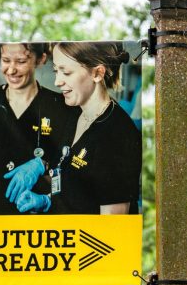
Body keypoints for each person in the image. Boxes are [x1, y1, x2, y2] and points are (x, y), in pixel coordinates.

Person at [12, 42, 141, 215]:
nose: (57, 82)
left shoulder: (117, 135)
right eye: (56, 71)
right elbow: (78, 187)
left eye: (66, 72)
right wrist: (47, 201)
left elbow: (111, 223)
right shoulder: (74, 113)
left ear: (97, 73)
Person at [0, 43, 77, 215]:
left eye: (21, 61)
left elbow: (73, 179)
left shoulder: (62, 108)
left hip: (34, 214)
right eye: (6, 60)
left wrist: (43, 168)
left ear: (40, 59)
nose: (11, 70)